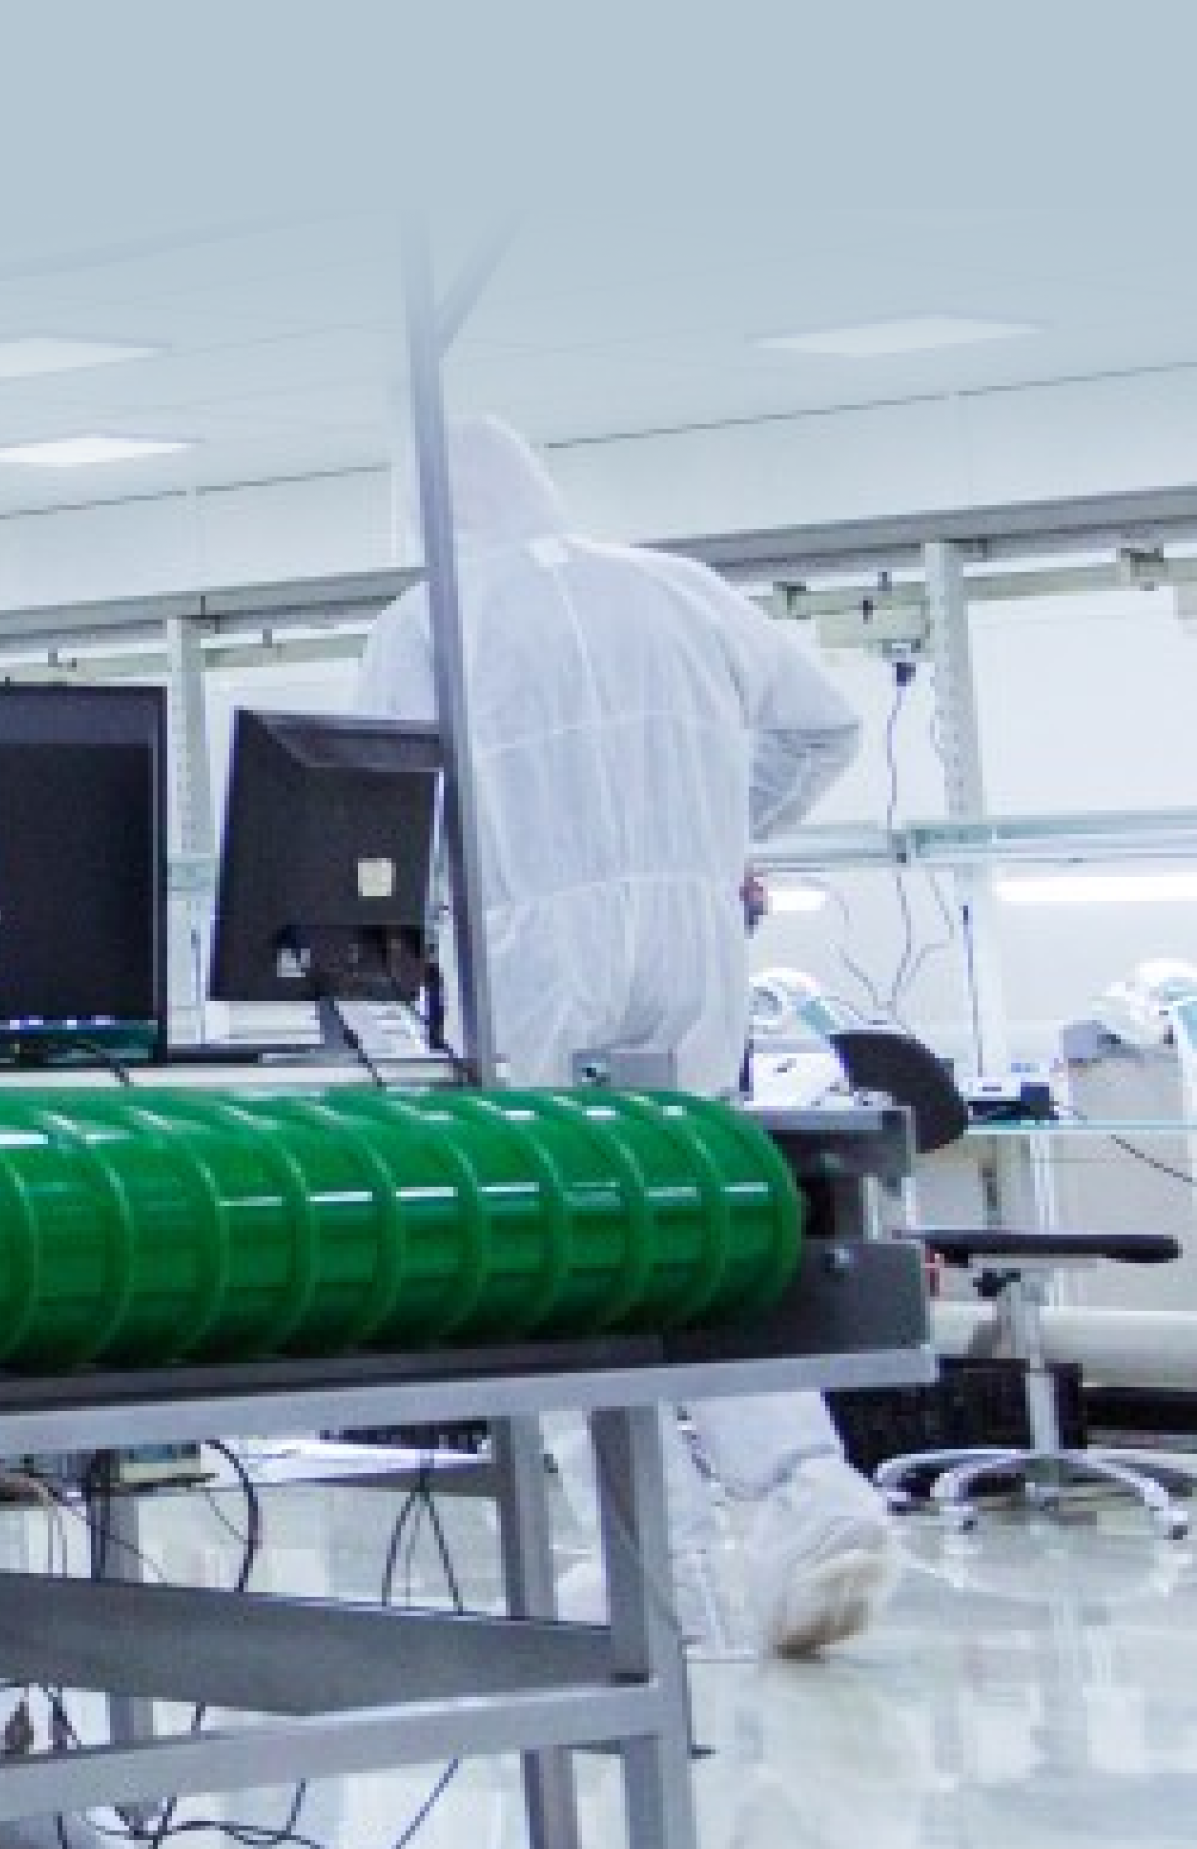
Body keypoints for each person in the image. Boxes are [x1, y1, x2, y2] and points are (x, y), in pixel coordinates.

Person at [360, 417, 891, 1657]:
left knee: (562, 1254)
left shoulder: (430, 616)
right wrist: (721, 829)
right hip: (692, 947)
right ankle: (808, 1487)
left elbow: (377, 802)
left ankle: (647, 1559)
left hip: (531, 955)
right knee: (693, 1224)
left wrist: (395, 955)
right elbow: (824, 725)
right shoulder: (681, 587)